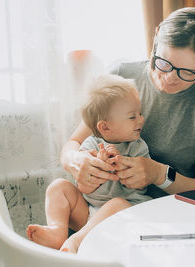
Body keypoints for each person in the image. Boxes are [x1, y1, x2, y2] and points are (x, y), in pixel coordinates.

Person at [60, 7, 195, 202]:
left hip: (169, 213)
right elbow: (72, 144)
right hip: (99, 205)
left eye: (187, 73)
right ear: (157, 36)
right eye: (164, 63)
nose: (169, 78)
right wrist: (76, 161)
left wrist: (159, 174)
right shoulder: (121, 76)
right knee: (59, 189)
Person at [27, 74, 151, 253]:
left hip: (124, 212)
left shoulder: (138, 147)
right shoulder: (90, 146)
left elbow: (138, 183)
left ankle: (77, 240)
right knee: (57, 186)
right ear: (105, 127)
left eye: (140, 114)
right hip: (89, 212)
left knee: (118, 203)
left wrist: (118, 164)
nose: (141, 120)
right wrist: (93, 174)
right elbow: (83, 188)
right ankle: (57, 231)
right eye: (133, 117)